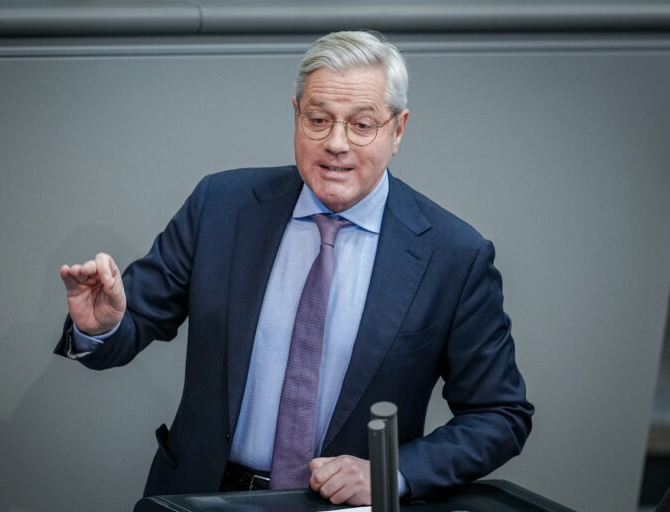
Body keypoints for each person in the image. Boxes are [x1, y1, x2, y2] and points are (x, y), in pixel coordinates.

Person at [56, 30, 533, 506]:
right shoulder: (221, 206)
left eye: (362, 124)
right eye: (319, 119)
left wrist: (391, 472)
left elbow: (500, 413)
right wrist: (101, 328)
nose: (336, 143)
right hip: (200, 497)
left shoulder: (453, 254)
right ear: (296, 115)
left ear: (398, 129)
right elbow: (128, 326)